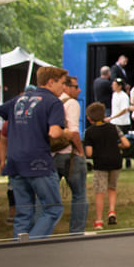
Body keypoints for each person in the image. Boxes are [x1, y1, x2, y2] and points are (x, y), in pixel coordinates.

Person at [0, 66, 68, 239]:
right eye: (62, 83)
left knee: (23, 213)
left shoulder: (19, 99)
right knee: (52, 209)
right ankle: (32, 248)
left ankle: (17, 251)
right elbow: (55, 133)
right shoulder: (53, 102)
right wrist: (68, 134)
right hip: (39, 162)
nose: (63, 88)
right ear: (51, 82)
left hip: (15, 162)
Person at [83, 102, 129, 228]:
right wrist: (117, 146)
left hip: (100, 164)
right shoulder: (114, 128)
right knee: (112, 188)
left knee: (100, 191)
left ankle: (99, 220)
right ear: (104, 115)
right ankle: (112, 212)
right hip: (115, 161)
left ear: (89, 118)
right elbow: (126, 144)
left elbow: (89, 152)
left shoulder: (89, 132)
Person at [54, 75, 87, 233]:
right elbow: (74, 132)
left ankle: (38, 234)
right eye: (75, 86)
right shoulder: (71, 103)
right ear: (66, 87)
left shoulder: (52, 102)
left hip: (52, 154)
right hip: (69, 155)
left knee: (46, 198)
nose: (79, 89)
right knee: (79, 195)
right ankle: (76, 231)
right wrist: (80, 151)